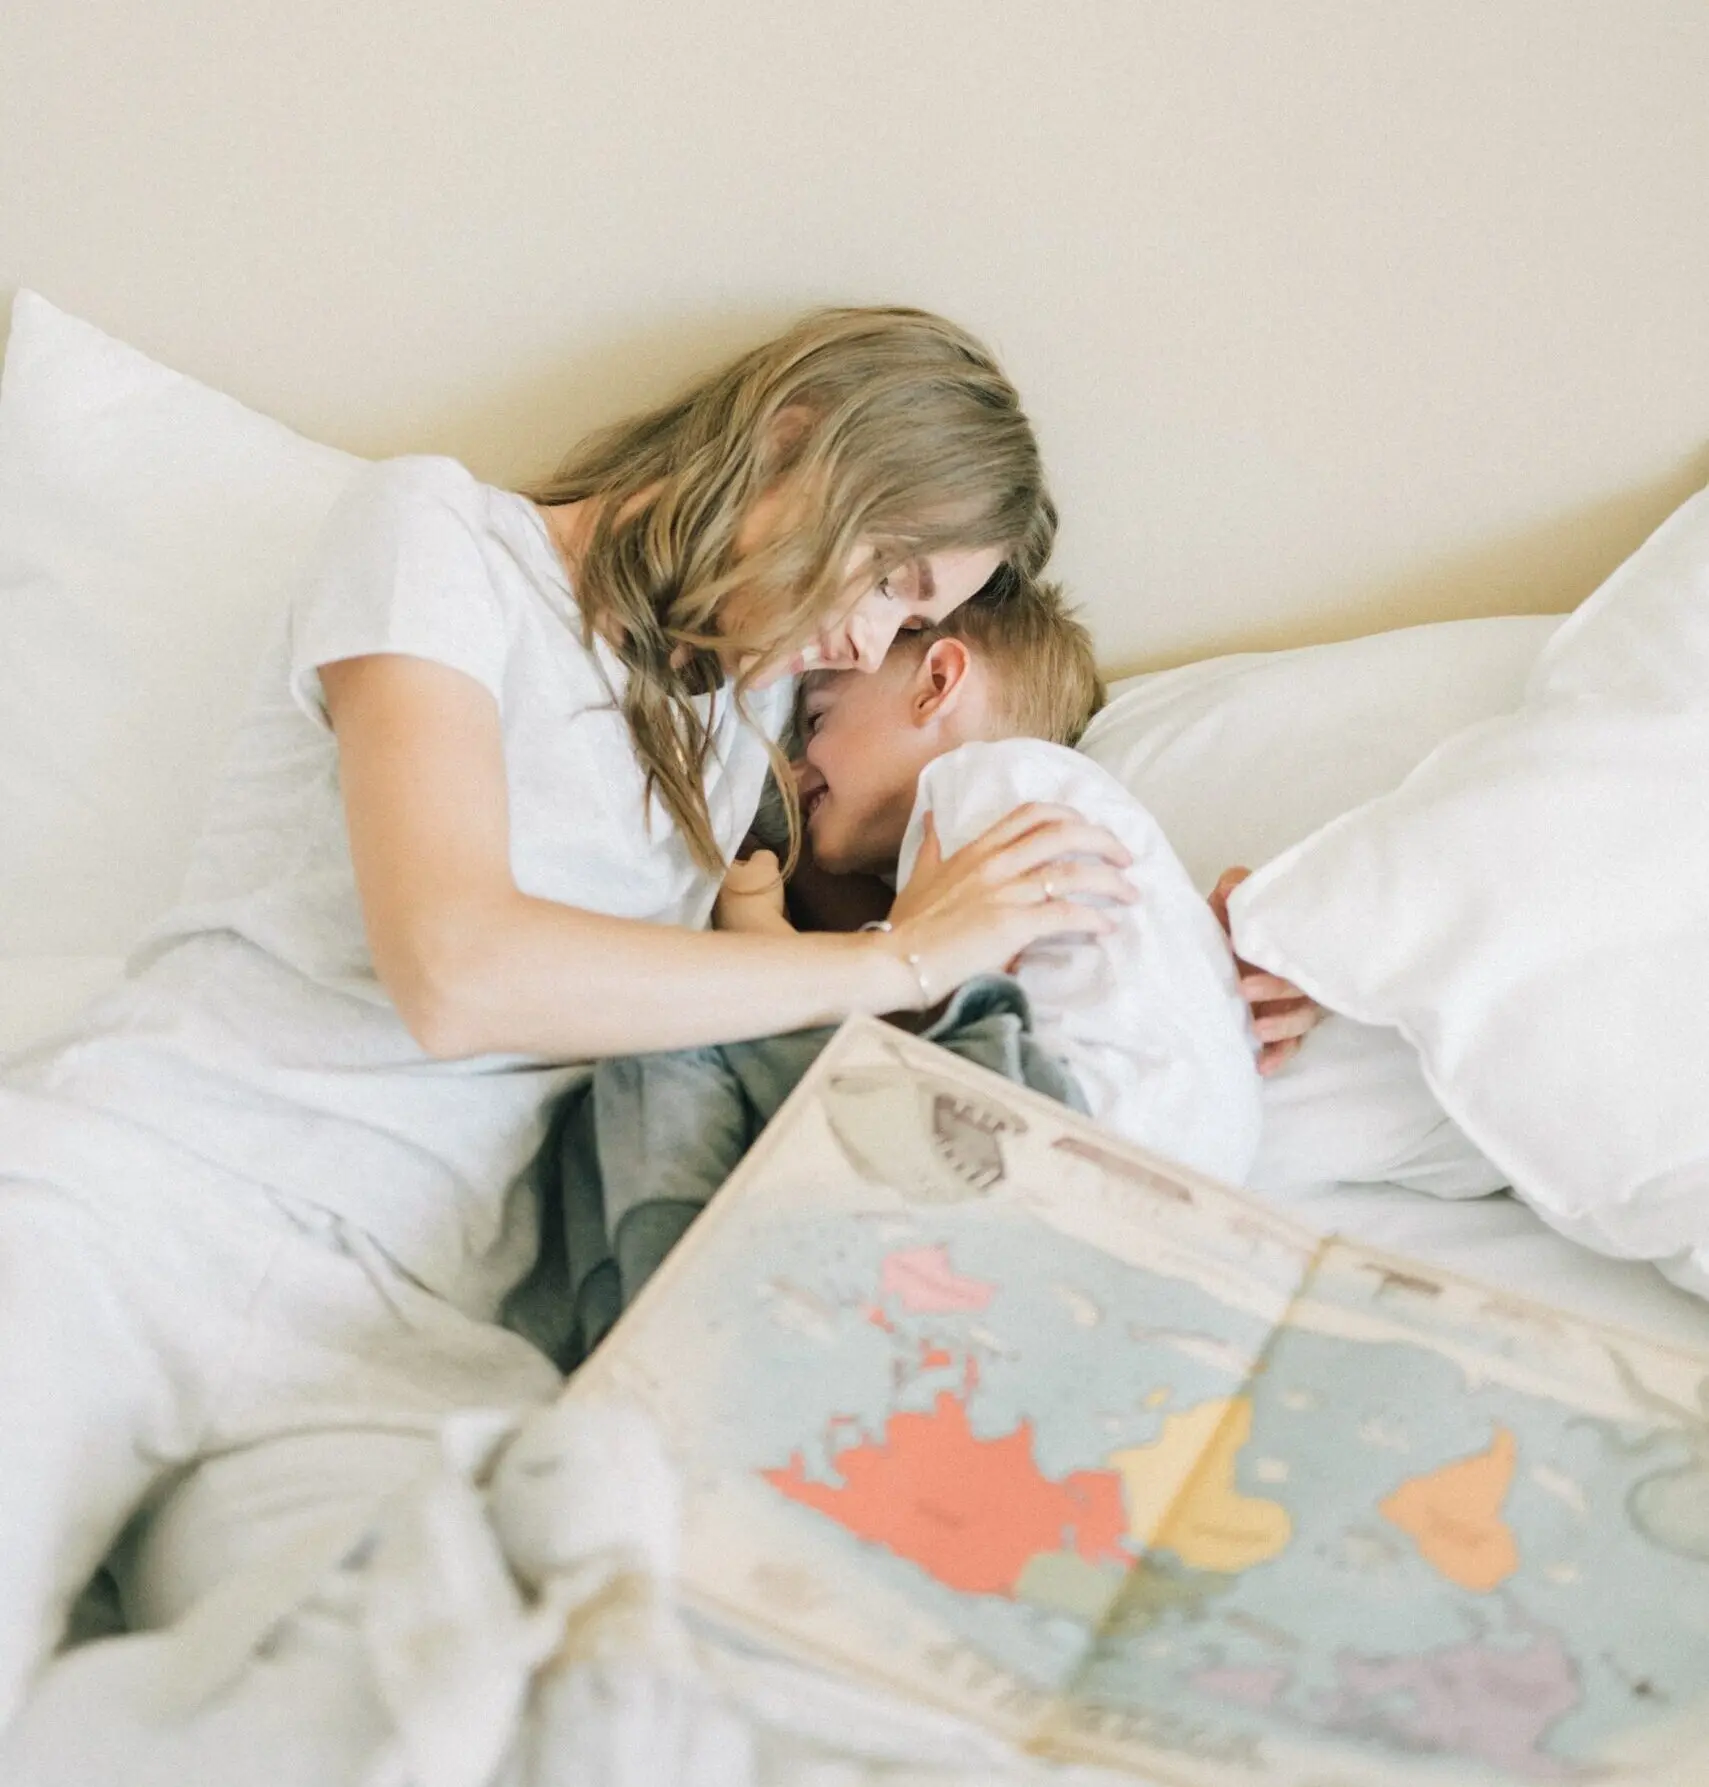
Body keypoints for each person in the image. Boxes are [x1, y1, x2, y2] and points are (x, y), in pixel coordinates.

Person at [0, 305, 1144, 1762]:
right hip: (140, 1197)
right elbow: (456, 967)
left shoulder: (744, 733)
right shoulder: (440, 538)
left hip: (399, 1330)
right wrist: (893, 954)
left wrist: (1219, 956)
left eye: (915, 625)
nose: (869, 637)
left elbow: (922, 859)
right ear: (796, 436)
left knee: (464, 1697)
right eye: (888, 576)